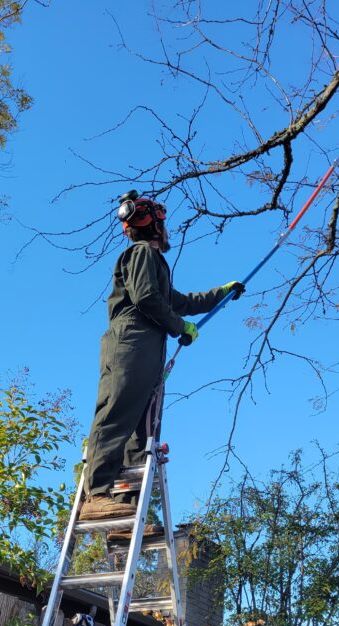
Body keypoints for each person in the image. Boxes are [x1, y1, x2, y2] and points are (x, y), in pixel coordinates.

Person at [79, 192, 244, 523]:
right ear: (155, 226)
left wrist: (221, 294)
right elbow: (147, 299)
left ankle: (124, 504)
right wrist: (179, 327)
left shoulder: (153, 262)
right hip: (131, 345)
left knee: (141, 428)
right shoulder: (142, 253)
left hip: (146, 349)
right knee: (117, 413)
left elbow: (176, 301)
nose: (168, 230)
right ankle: (96, 494)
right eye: (164, 224)